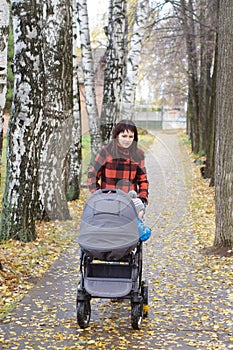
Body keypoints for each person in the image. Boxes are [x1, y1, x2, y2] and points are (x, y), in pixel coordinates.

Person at [88, 119, 149, 207]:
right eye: (124, 136)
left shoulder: (138, 155)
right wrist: (99, 195)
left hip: (129, 203)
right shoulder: (106, 152)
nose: (127, 140)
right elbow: (92, 175)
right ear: (117, 135)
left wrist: (142, 198)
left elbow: (143, 180)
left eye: (131, 136)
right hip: (108, 202)